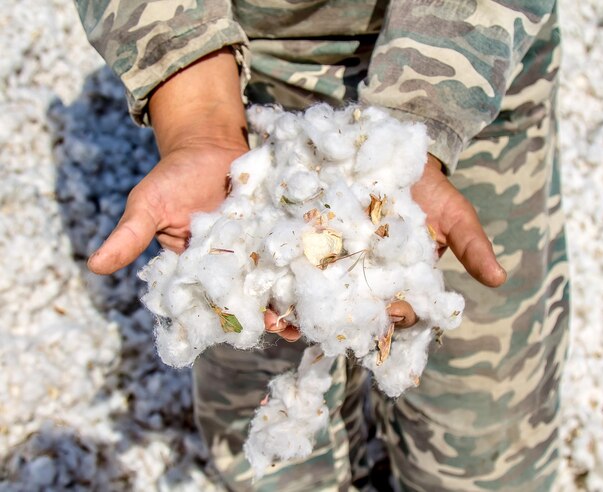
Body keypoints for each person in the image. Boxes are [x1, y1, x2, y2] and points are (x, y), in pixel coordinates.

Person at [75, 1, 569, 490]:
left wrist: (421, 125)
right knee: (270, 450)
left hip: (472, 76)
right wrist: (199, 120)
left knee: (482, 440)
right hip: (244, 85)